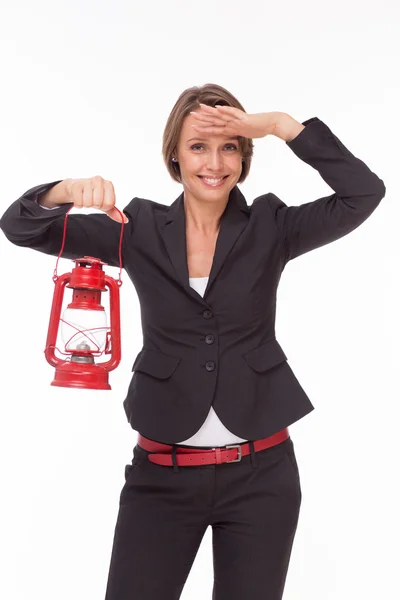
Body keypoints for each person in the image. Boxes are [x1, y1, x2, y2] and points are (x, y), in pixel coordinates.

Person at [0, 83, 386, 600]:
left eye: (229, 145)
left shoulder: (272, 226)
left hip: (262, 477)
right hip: (161, 477)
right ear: (175, 156)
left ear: (245, 155)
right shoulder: (133, 229)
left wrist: (280, 126)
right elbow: (20, 229)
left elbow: (364, 192)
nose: (215, 162)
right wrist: (63, 191)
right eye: (198, 146)